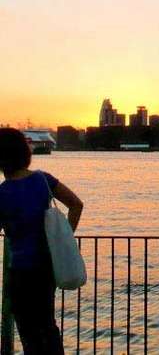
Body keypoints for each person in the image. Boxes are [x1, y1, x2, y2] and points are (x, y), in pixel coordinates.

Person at [0, 128, 83, 354]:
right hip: (46, 268)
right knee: (48, 327)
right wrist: (63, 239)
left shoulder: (3, 193)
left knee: (28, 333)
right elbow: (76, 204)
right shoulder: (43, 180)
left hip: (20, 270)